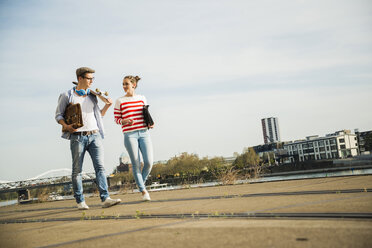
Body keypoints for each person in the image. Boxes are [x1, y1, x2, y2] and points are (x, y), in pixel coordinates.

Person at [55, 67, 121, 210]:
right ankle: (80, 201)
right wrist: (67, 127)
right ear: (80, 78)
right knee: (77, 170)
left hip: (95, 135)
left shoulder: (93, 95)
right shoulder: (67, 95)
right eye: (89, 78)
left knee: (100, 168)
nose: (91, 81)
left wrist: (108, 106)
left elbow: (99, 115)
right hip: (78, 137)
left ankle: (105, 198)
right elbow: (58, 116)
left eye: (93, 79)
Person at [114, 75, 154, 201]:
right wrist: (124, 120)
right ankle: (143, 191)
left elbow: (146, 113)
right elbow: (116, 119)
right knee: (136, 164)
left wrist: (150, 122)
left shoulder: (142, 98)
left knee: (148, 162)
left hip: (144, 132)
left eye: (126, 84)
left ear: (133, 85)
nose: (124, 86)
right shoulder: (119, 101)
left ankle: (140, 182)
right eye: (123, 84)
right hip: (129, 134)